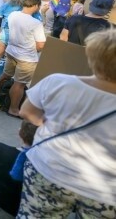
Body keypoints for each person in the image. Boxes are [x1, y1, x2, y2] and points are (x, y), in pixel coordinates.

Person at [17, 29, 116, 218]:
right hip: (105, 190)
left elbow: (26, 112)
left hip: (49, 169)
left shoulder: (58, 82)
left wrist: (47, 124)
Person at [0, 121, 37, 216]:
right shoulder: (45, 164)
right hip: (28, 206)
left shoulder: (0, 150)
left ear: (20, 132)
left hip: (5, 200)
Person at [2, 0, 46, 118]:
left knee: (6, 76)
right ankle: (13, 109)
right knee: (19, 84)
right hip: (26, 57)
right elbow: (41, 45)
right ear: (36, 6)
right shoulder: (36, 23)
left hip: (11, 51)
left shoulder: (13, 15)